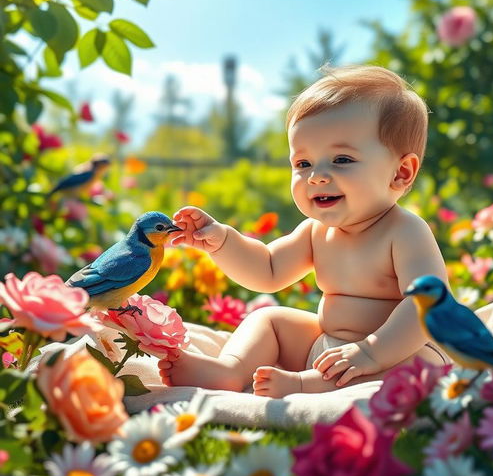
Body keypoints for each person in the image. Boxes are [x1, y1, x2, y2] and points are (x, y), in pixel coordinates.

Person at [159, 65, 449, 397]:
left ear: (400, 172)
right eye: (303, 164)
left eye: (341, 159)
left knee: (412, 369)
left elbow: (426, 304)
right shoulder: (315, 232)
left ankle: (301, 386)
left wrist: (371, 351)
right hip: (328, 350)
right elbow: (267, 269)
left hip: (395, 352)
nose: (317, 176)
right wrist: (223, 241)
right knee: (270, 320)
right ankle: (232, 370)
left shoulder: (405, 231)